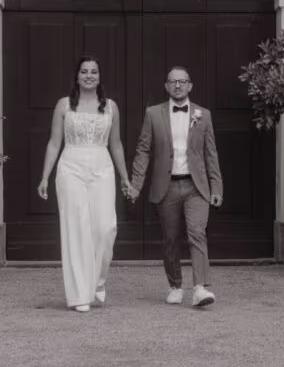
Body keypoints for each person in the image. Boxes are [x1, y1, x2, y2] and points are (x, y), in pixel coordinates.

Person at [37, 56, 134, 312]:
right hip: (71, 167)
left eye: (93, 72)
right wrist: (45, 176)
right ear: (77, 76)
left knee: (105, 228)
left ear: (99, 77)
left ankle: (98, 283)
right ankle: (80, 295)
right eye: (84, 71)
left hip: (102, 167)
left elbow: (116, 144)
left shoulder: (111, 106)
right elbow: (54, 143)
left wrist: (125, 177)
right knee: (76, 229)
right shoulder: (64, 105)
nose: (89, 75)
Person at [130, 66, 223, 309]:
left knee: (197, 233)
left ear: (190, 85)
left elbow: (210, 153)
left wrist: (217, 188)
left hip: (196, 187)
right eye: (173, 81)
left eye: (183, 81)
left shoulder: (204, 115)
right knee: (170, 238)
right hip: (167, 186)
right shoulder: (153, 114)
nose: (178, 85)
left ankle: (200, 288)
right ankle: (175, 285)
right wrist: (136, 184)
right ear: (166, 86)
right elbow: (143, 150)